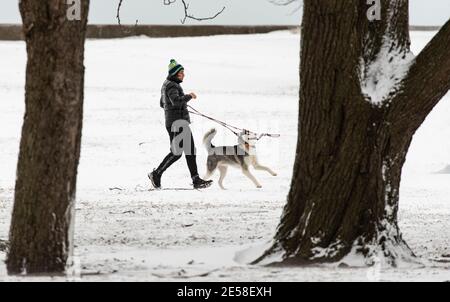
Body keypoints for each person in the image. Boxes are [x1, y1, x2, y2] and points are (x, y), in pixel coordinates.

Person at [148, 59, 213, 189]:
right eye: (181, 73)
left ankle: (196, 180)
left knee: (189, 151)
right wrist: (188, 97)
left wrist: (178, 108)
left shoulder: (167, 84)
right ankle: (156, 173)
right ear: (175, 74)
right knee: (177, 152)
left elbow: (163, 103)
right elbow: (176, 102)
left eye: (183, 72)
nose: (183, 75)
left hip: (176, 122)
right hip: (177, 123)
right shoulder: (172, 85)